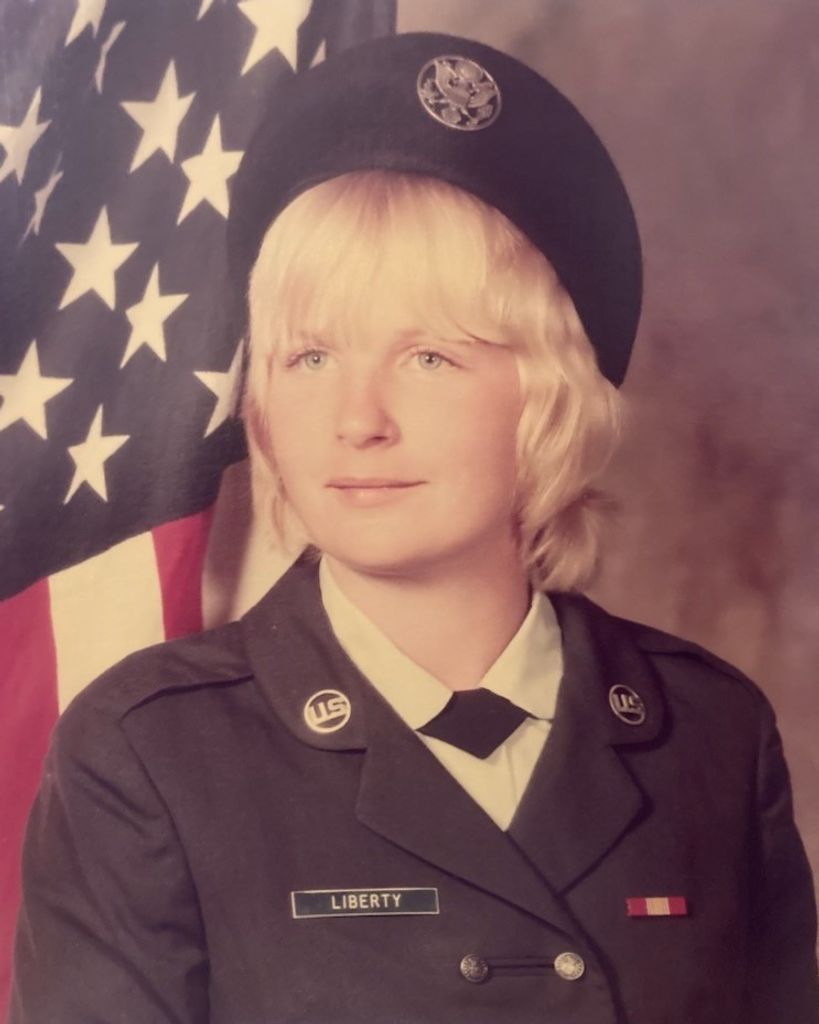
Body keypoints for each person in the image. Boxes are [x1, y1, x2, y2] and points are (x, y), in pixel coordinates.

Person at [10, 31, 819, 1024]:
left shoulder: (710, 733)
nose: (358, 420)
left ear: (549, 396)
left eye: (429, 357)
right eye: (310, 358)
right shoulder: (149, 755)